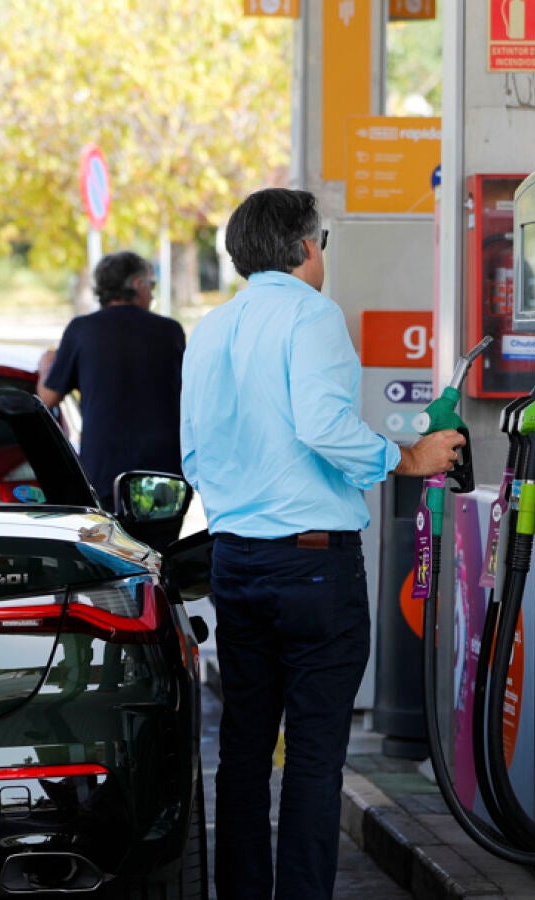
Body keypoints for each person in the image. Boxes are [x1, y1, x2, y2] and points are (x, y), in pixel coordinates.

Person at [180, 188, 465, 900]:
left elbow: (192, 453)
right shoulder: (311, 315)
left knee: (244, 751)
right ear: (307, 246)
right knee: (312, 756)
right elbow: (322, 425)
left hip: (234, 559)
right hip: (311, 565)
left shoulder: (210, 329)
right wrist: (408, 457)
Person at [37, 251, 186, 518]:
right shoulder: (170, 331)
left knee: (106, 540)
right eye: (152, 285)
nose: (152, 294)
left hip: (103, 470)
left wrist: (45, 367)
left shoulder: (82, 330)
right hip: (164, 470)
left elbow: (46, 400)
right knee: (161, 542)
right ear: (138, 284)